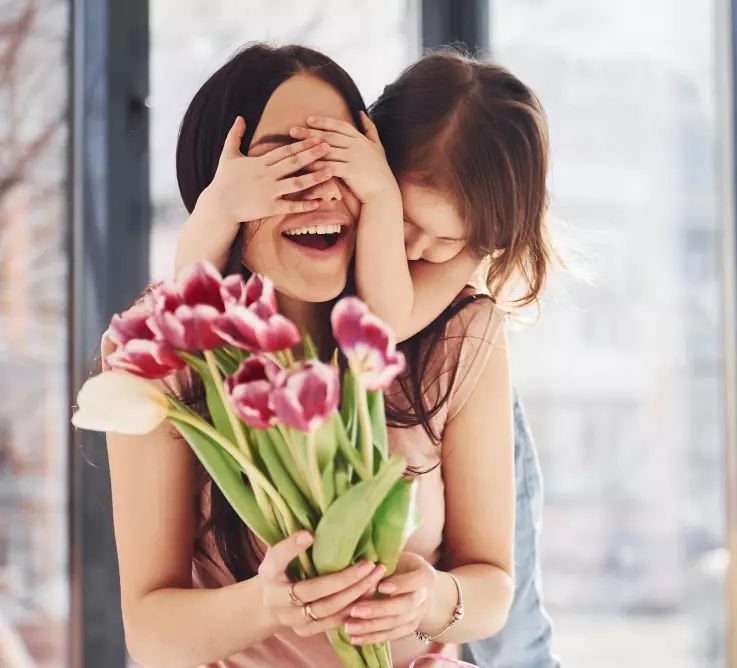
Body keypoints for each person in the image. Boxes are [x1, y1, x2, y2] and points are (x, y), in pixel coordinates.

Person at [107, 44, 518, 668]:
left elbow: (492, 588)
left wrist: (432, 597)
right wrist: (268, 604)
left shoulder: (455, 334)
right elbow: (150, 635)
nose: (320, 189)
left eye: (342, 158)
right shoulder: (166, 347)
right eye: (286, 165)